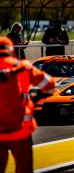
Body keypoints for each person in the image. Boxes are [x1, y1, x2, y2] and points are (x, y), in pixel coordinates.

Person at [0, 37, 55, 173]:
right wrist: (35, 98)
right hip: (21, 132)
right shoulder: (24, 67)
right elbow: (50, 85)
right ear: (11, 50)